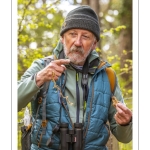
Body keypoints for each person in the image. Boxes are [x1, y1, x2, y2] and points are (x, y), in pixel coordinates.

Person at [18, 5, 132, 150]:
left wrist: (126, 123)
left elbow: (125, 137)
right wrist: (38, 79)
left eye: (85, 36)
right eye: (72, 34)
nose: (77, 42)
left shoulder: (107, 75)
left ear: (94, 44)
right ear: (62, 38)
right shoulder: (42, 67)